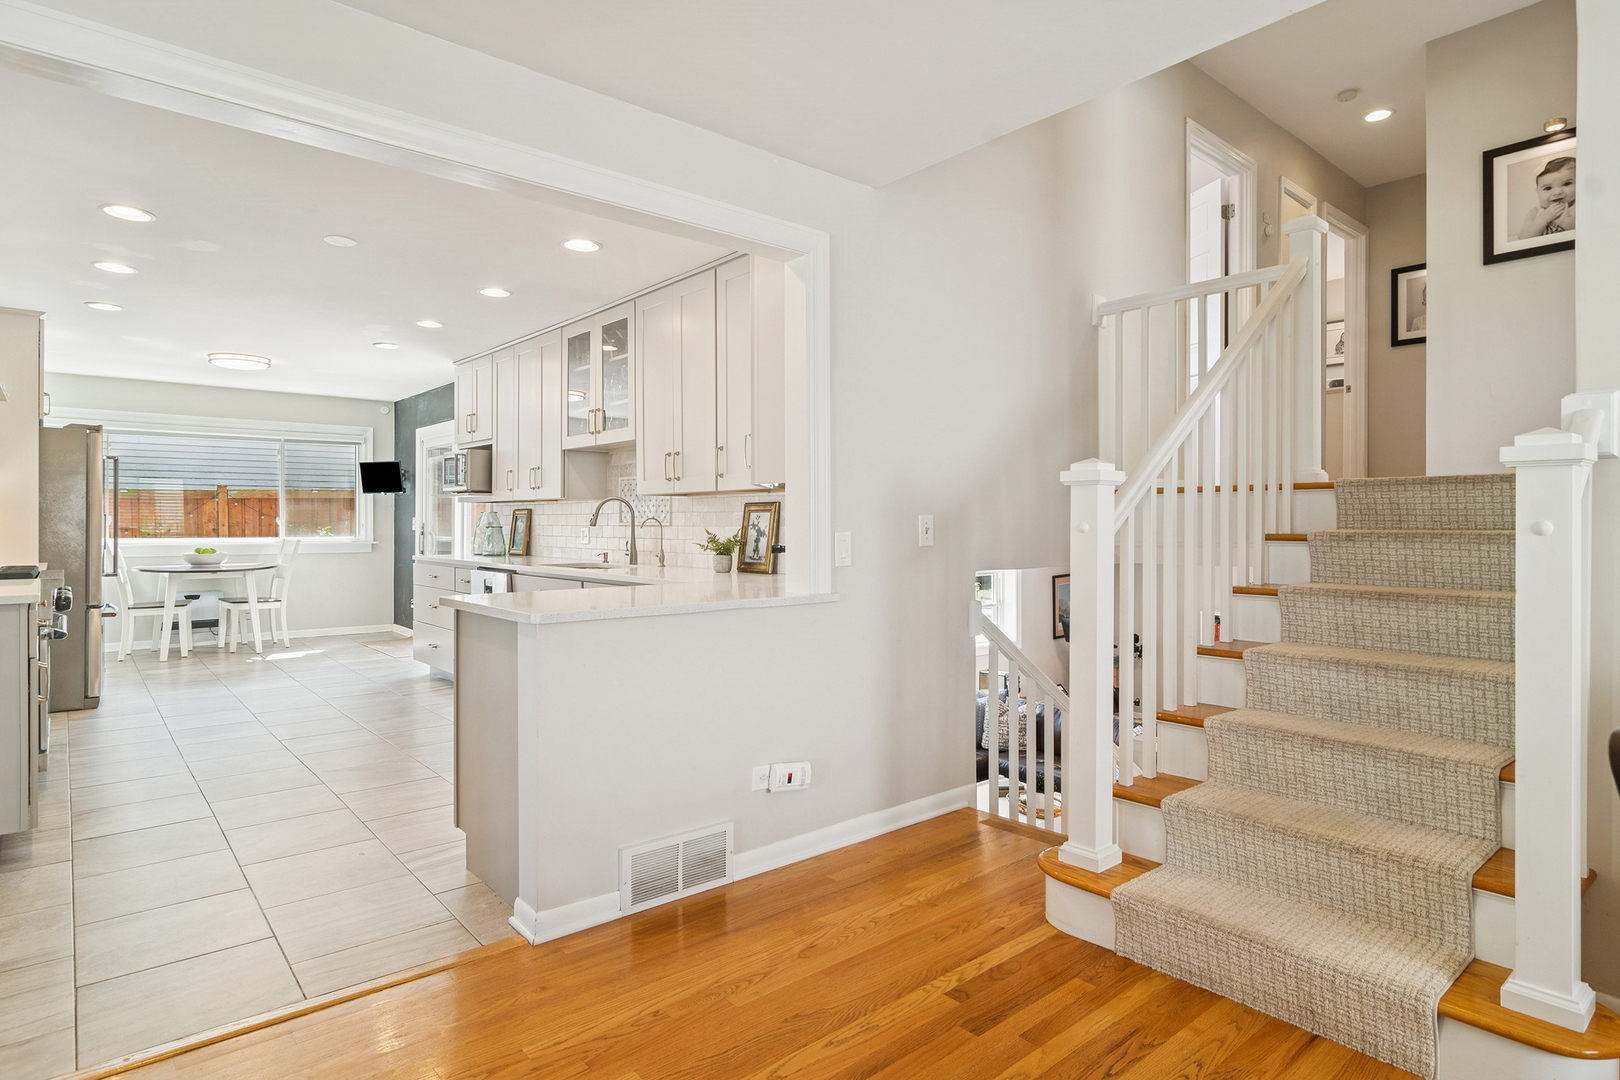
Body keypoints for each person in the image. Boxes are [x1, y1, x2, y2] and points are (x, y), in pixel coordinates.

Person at [1518, 155, 1576, 239]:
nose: (1557, 192)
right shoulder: (1536, 212)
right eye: (1548, 188)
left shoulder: (1579, 206)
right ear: (1538, 192)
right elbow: (1523, 237)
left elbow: (1589, 229)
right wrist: (1542, 219)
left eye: (1566, 184)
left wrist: (1565, 221)